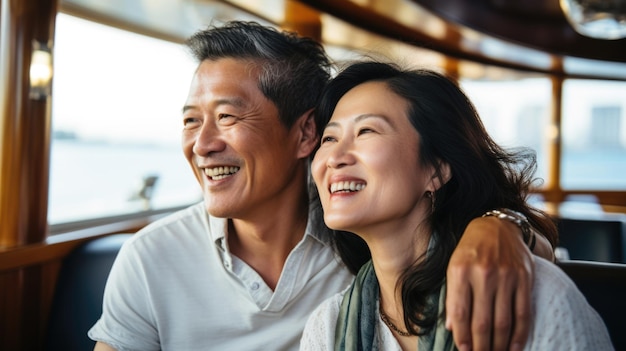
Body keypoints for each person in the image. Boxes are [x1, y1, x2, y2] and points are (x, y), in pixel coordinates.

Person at [89, 22, 555, 351]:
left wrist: (500, 226)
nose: (203, 144)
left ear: (304, 134)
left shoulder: (363, 229)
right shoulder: (149, 257)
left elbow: (529, 262)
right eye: (191, 121)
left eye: (227, 117)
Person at [300, 61, 613, 351]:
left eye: (366, 131)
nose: (335, 157)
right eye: (329, 138)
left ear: (436, 170)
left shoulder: (536, 297)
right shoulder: (327, 326)